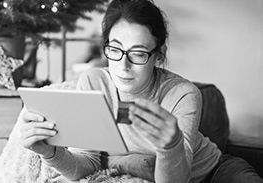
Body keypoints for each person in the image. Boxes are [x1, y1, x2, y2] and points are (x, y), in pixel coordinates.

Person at [18, 0, 263, 182]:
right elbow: (87, 164)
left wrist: (172, 145)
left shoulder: (182, 93)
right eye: (115, 49)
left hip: (212, 172)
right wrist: (49, 152)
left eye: (137, 53)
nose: (123, 66)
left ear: (158, 55)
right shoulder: (93, 82)